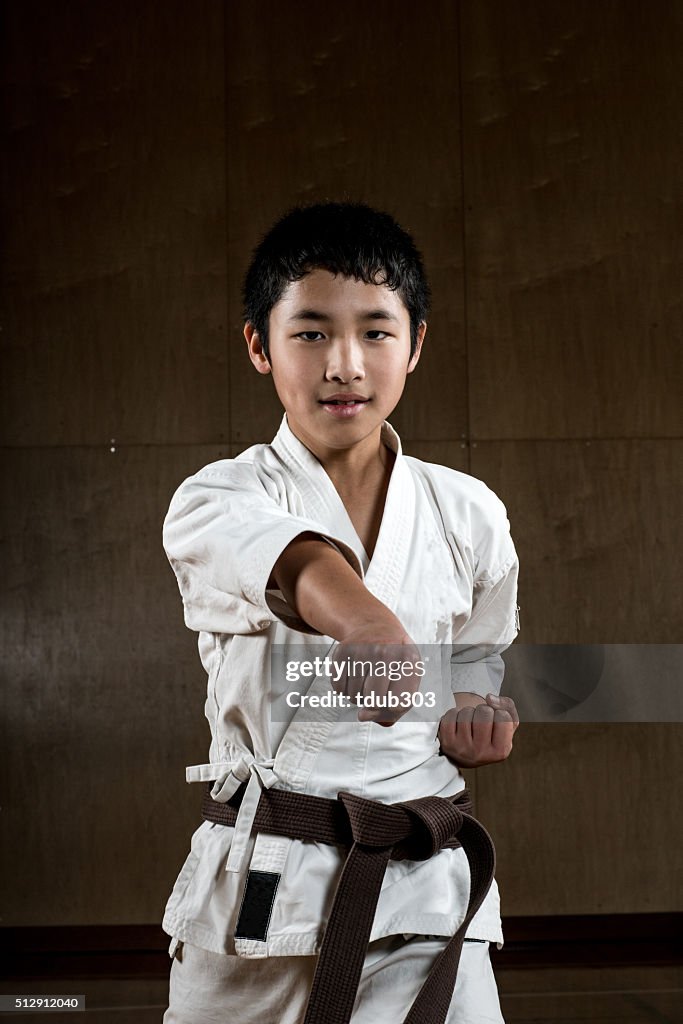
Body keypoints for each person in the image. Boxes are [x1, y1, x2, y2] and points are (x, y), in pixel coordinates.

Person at [161, 202, 520, 1024]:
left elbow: (477, 653)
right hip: (261, 890)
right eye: (312, 332)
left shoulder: (468, 511)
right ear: (260, 345)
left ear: (416, 343)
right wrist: (364, 624)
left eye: (376, 332)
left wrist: (472, 708)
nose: (345, 365)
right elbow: (291, 560)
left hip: (422, 884)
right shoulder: (217, 496)